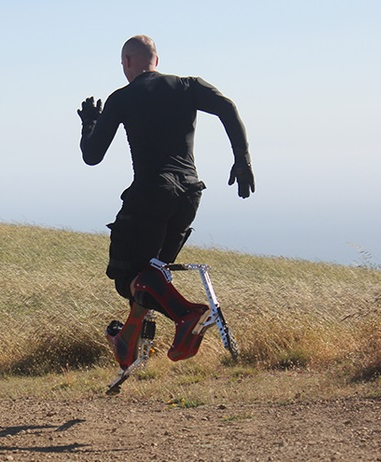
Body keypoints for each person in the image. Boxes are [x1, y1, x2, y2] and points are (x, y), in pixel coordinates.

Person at [77, 35, 255, 370]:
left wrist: (90, 123)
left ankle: (188, 315)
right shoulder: (188, 86)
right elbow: (227, 107)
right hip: (189, 194)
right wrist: (242, 158)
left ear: (127, 62)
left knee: (127, 277)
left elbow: (92, 155)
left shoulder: (122, 98)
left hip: (151, 192)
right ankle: (126, 342)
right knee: (151, 275)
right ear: (156, 60)